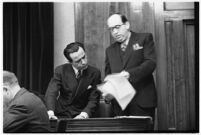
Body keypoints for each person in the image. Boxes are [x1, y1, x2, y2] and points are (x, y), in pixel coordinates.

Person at [104, 13, 157, 119]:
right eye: (111, 29)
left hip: (142, 102)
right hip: (120, 106)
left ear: (127, 25)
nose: (114, 32)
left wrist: (129, 74)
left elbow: (150, 63)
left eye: (117, 27)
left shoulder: (144, 38)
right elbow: (108, 75)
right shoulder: (110, 50)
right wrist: (108, 94)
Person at [45, 42, 101, 119]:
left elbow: (94, 99)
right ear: (70, 62)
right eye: (78, 61)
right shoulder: (61, 70)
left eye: (84, 57)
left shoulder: (95, 73)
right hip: (61, 113)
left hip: (82, 114)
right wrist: (50, 113)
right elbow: (51, 92)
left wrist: (83, 115)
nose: (84, 62)